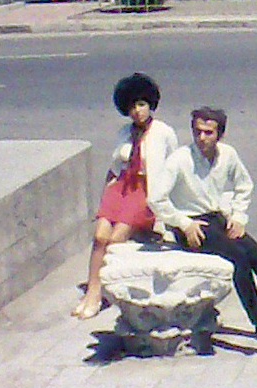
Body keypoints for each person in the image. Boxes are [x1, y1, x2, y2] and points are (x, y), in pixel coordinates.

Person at [148, 106, 257, 346]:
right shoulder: (180, 159)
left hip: (218, 218)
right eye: (197, 132)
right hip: (192, 226)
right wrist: (183, 224)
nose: (202, 138)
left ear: (220, 134)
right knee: (238, 260)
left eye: (208, 133)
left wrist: (238, 217)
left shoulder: (228, 155)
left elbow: (244, 185)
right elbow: (155, 198)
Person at [73, 73, 179, 319]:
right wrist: (106, 192)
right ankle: (92, 290)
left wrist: (167, 211)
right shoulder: (124, 132)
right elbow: (115, 164)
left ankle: (102, 292)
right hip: (120, 187)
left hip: (145, 191)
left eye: (141, 104)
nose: (137, 111)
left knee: (116, 238)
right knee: (100, 236)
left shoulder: (163, 132)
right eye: (132, 106)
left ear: (150, 104)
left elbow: (173, 168)